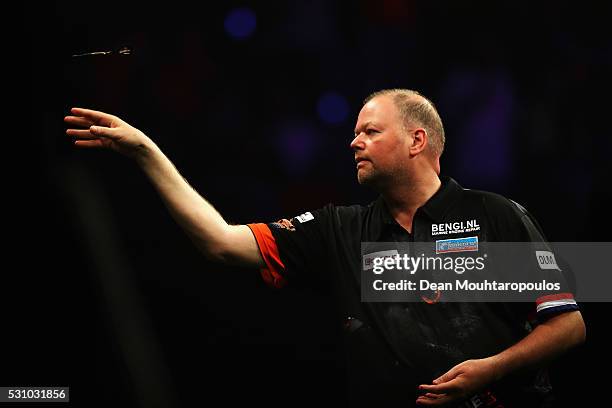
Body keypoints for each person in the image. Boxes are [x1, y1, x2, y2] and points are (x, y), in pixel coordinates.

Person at [64, 89, 585, 407]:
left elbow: (568, 324)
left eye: (369, 131)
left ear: (417, 141)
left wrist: (490, 369)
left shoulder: (492, 215)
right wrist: (146, 151)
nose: (352, 142)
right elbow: (222, 243)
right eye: (354, 133)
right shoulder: (342, 232)